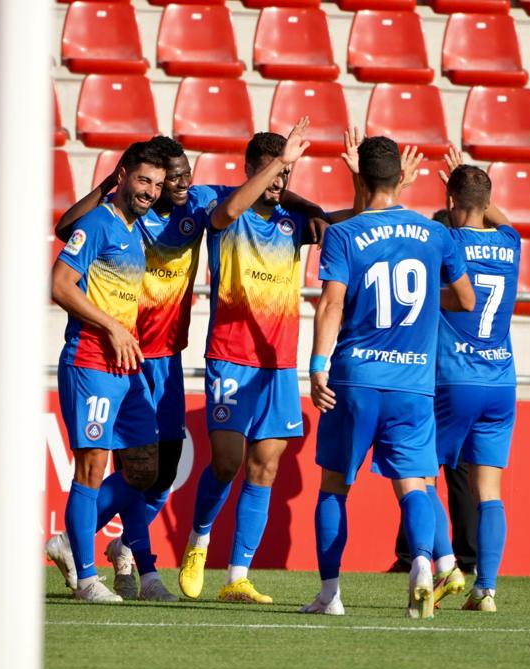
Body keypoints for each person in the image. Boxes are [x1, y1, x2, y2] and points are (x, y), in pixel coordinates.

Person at [301, 136, 475, 619]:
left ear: (358, 179)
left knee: (335, 486)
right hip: (414, 385)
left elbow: (332, 303)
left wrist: (317, 365)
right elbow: (464, 299)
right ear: (402, 179)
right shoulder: (436, 235)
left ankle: (330, 595)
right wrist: (418, 313)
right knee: (416, 484)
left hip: (354, 380)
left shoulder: (343, 235)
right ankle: (423, 562)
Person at [176, 120, 330, 604]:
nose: (279, 183)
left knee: (264, 467)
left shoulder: (292, 221)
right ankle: (199, 541)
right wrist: (277, 167)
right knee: (226, 462)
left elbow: (335, 226)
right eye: (271, 173)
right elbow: (228, 211)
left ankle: (237, 576)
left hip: (279, 364)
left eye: (286, 174)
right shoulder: (223, 205)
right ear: (249, 170)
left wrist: (334, 194)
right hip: (230, 355)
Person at [49, 141, 177, 603]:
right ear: (122, 175)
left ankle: (72, 542)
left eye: (157, 185)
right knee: (91, 467)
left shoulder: (135, 226)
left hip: (126, 366)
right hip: (91, 360)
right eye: (144, 180)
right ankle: (86, 578)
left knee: (145, 468)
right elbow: (59, 285)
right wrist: (110, 327)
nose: (150, 191)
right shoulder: (98, 223)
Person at [430, 149, 520, 612]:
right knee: (490, 492)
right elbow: (499, 218)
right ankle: (487, 589)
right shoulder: (512, 241)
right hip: (501, 380)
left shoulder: (446, 241)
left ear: (449, 200)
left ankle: (444, 566)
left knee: (420, 476)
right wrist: (476, 193)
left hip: (455, 378)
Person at [390, 208, 478, 576]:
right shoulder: (465, 279)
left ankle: (415, 554)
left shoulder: (424, 284)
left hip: (428, 380)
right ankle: (467, 556)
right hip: (466, 379)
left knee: (417, 470)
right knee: (456, 471)